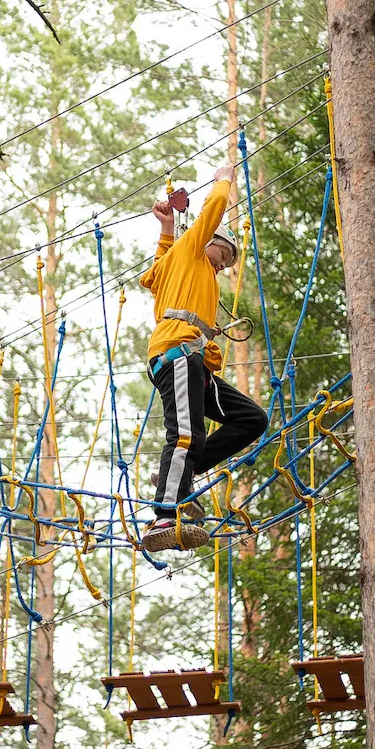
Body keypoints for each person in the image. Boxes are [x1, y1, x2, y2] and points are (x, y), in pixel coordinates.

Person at [139, 165, 268, 552]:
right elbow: (212, 211)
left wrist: (166, 229)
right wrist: (224, 178)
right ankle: (165, 514)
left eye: (227, 263)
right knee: (184, 433)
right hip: (177, 352)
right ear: (205, 239)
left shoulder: (185, 265)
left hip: (195, 362)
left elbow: (159, 269)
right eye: (222, 254)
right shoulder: (192, 252)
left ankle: (183, 473)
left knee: (252, 419)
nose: (222, 265)